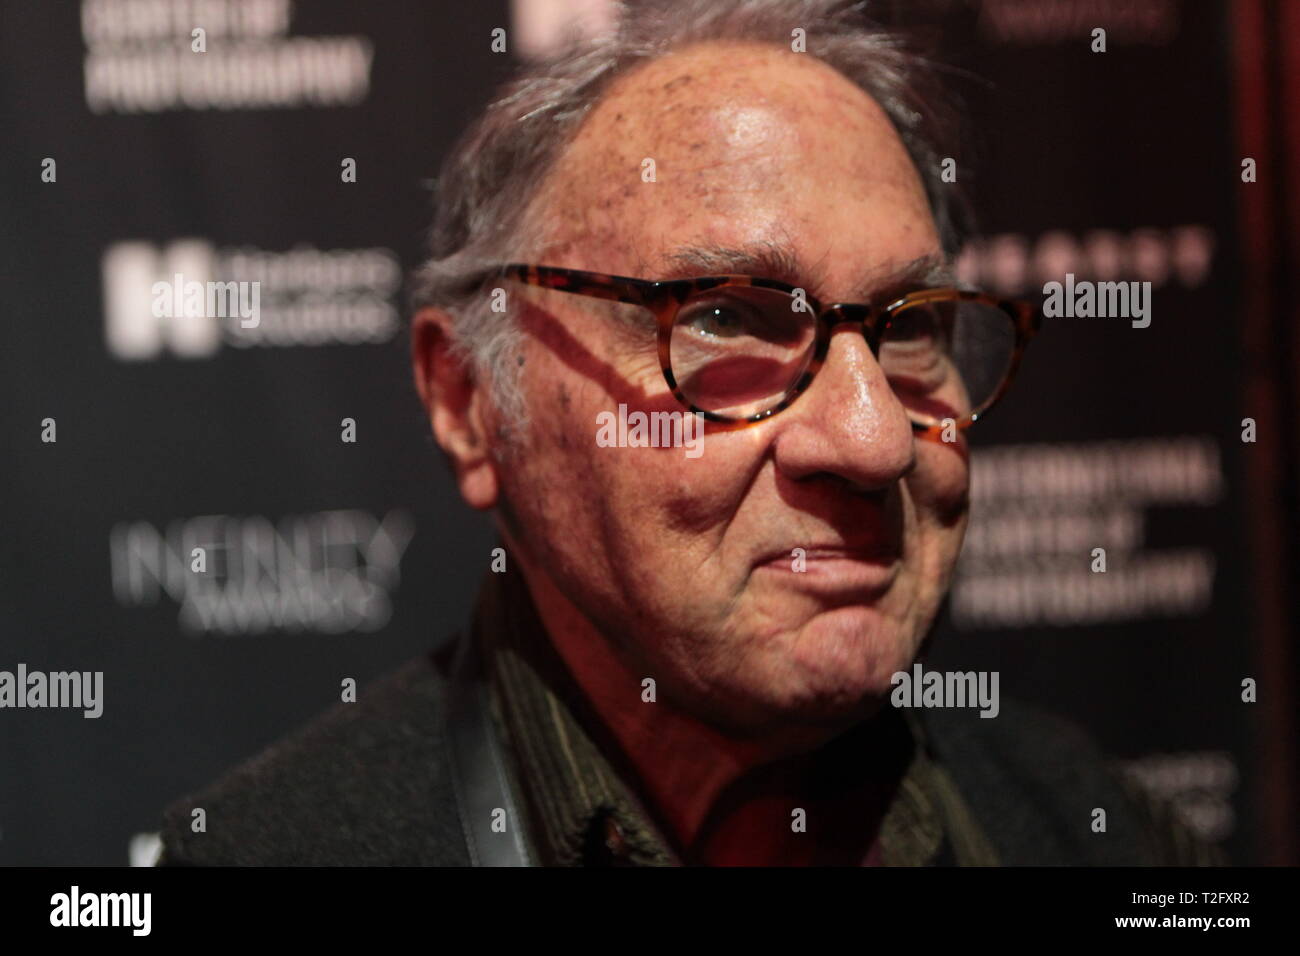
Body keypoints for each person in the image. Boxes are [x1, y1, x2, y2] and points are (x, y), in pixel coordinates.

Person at [158, 0, 1220, 867]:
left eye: (910, 328)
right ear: (470, 400)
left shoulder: (1103, 833)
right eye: (722, 318)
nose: (872, 441)